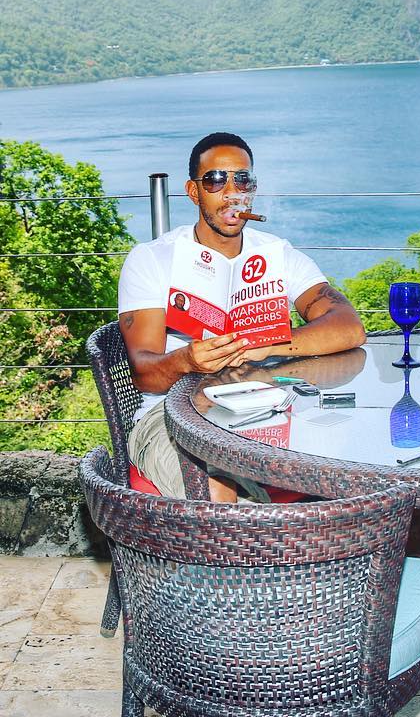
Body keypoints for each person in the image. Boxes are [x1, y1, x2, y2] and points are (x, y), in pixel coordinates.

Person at [118, 131, 366, 502]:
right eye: (215, 180)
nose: (231, 191)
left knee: (352, 454)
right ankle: (248, 548)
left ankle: (293, 549)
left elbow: (349, 327)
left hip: (263, 409)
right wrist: (187, 359)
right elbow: (144, 373)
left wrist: (269, 343)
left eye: (242, 179)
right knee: (218, 487)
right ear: (193, 191)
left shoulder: (276, 254)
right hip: (172, 416)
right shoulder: (153, 259)